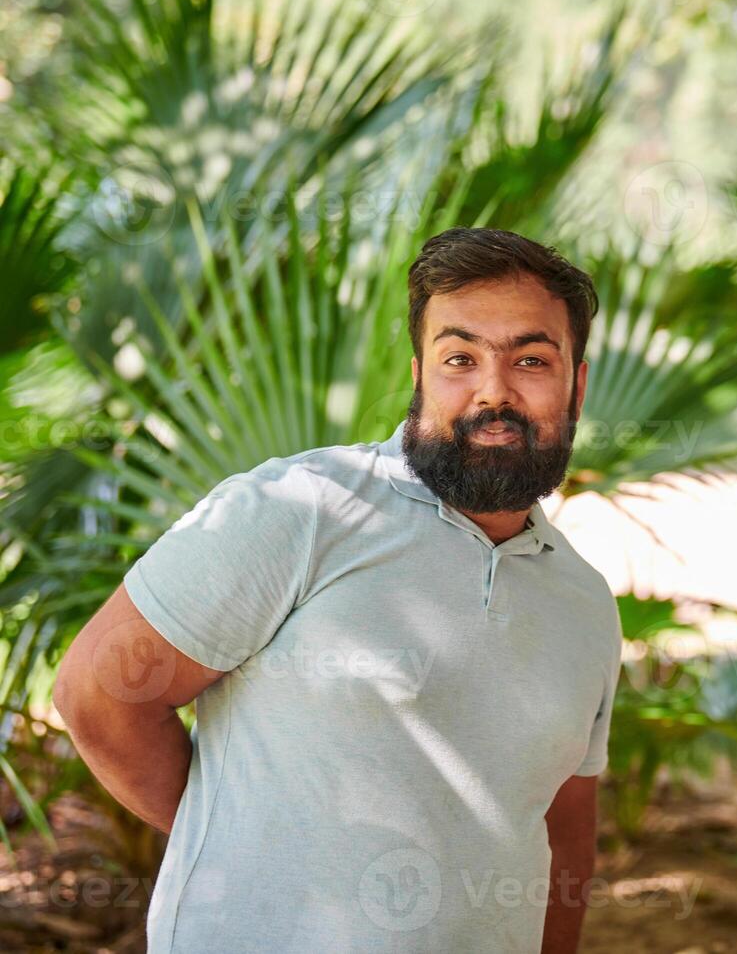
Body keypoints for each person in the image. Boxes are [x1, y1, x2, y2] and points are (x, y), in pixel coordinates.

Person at [53, 228, 623, 953]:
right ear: (420, 374)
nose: (493, 390)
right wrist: (239, 841)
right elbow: (100, 694)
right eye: (461, 358)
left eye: (531, 360)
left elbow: (565, 826)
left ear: (576, 384)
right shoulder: (297, 508)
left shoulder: (586, 603)